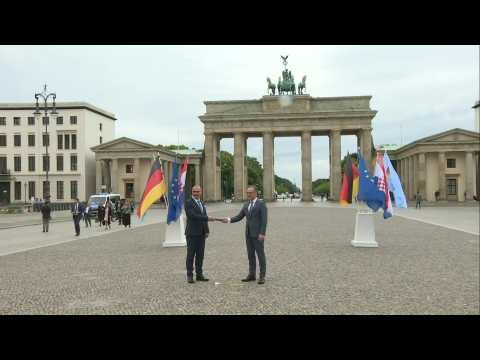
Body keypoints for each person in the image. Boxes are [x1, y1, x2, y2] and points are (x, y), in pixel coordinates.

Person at [222, 185, 268, 285]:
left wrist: (262, 233)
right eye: (247, 193)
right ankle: (252, 274)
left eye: (250, 193)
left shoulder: (261, 204)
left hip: (258, 234)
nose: (248, 194)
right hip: (248, 234)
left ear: (255, 193)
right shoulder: (246, 205)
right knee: (250, 255)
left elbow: (264, 220)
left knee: (260, 255)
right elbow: (239, 216)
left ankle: (262, 276)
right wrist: (229, 220)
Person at [184, 185, 215, 284]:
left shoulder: (201, 202)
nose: (196, 193)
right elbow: (192, 216)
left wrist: (207, 230)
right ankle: (189, 275)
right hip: (192, 233)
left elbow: (203, 217)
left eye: (198, 191)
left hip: (201, 233)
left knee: (200, 255)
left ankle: (199, 274)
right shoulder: (188, 203)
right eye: (194, 191)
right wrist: (207, 218)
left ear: (201, 192)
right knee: (190, 255)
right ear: (191, 192)